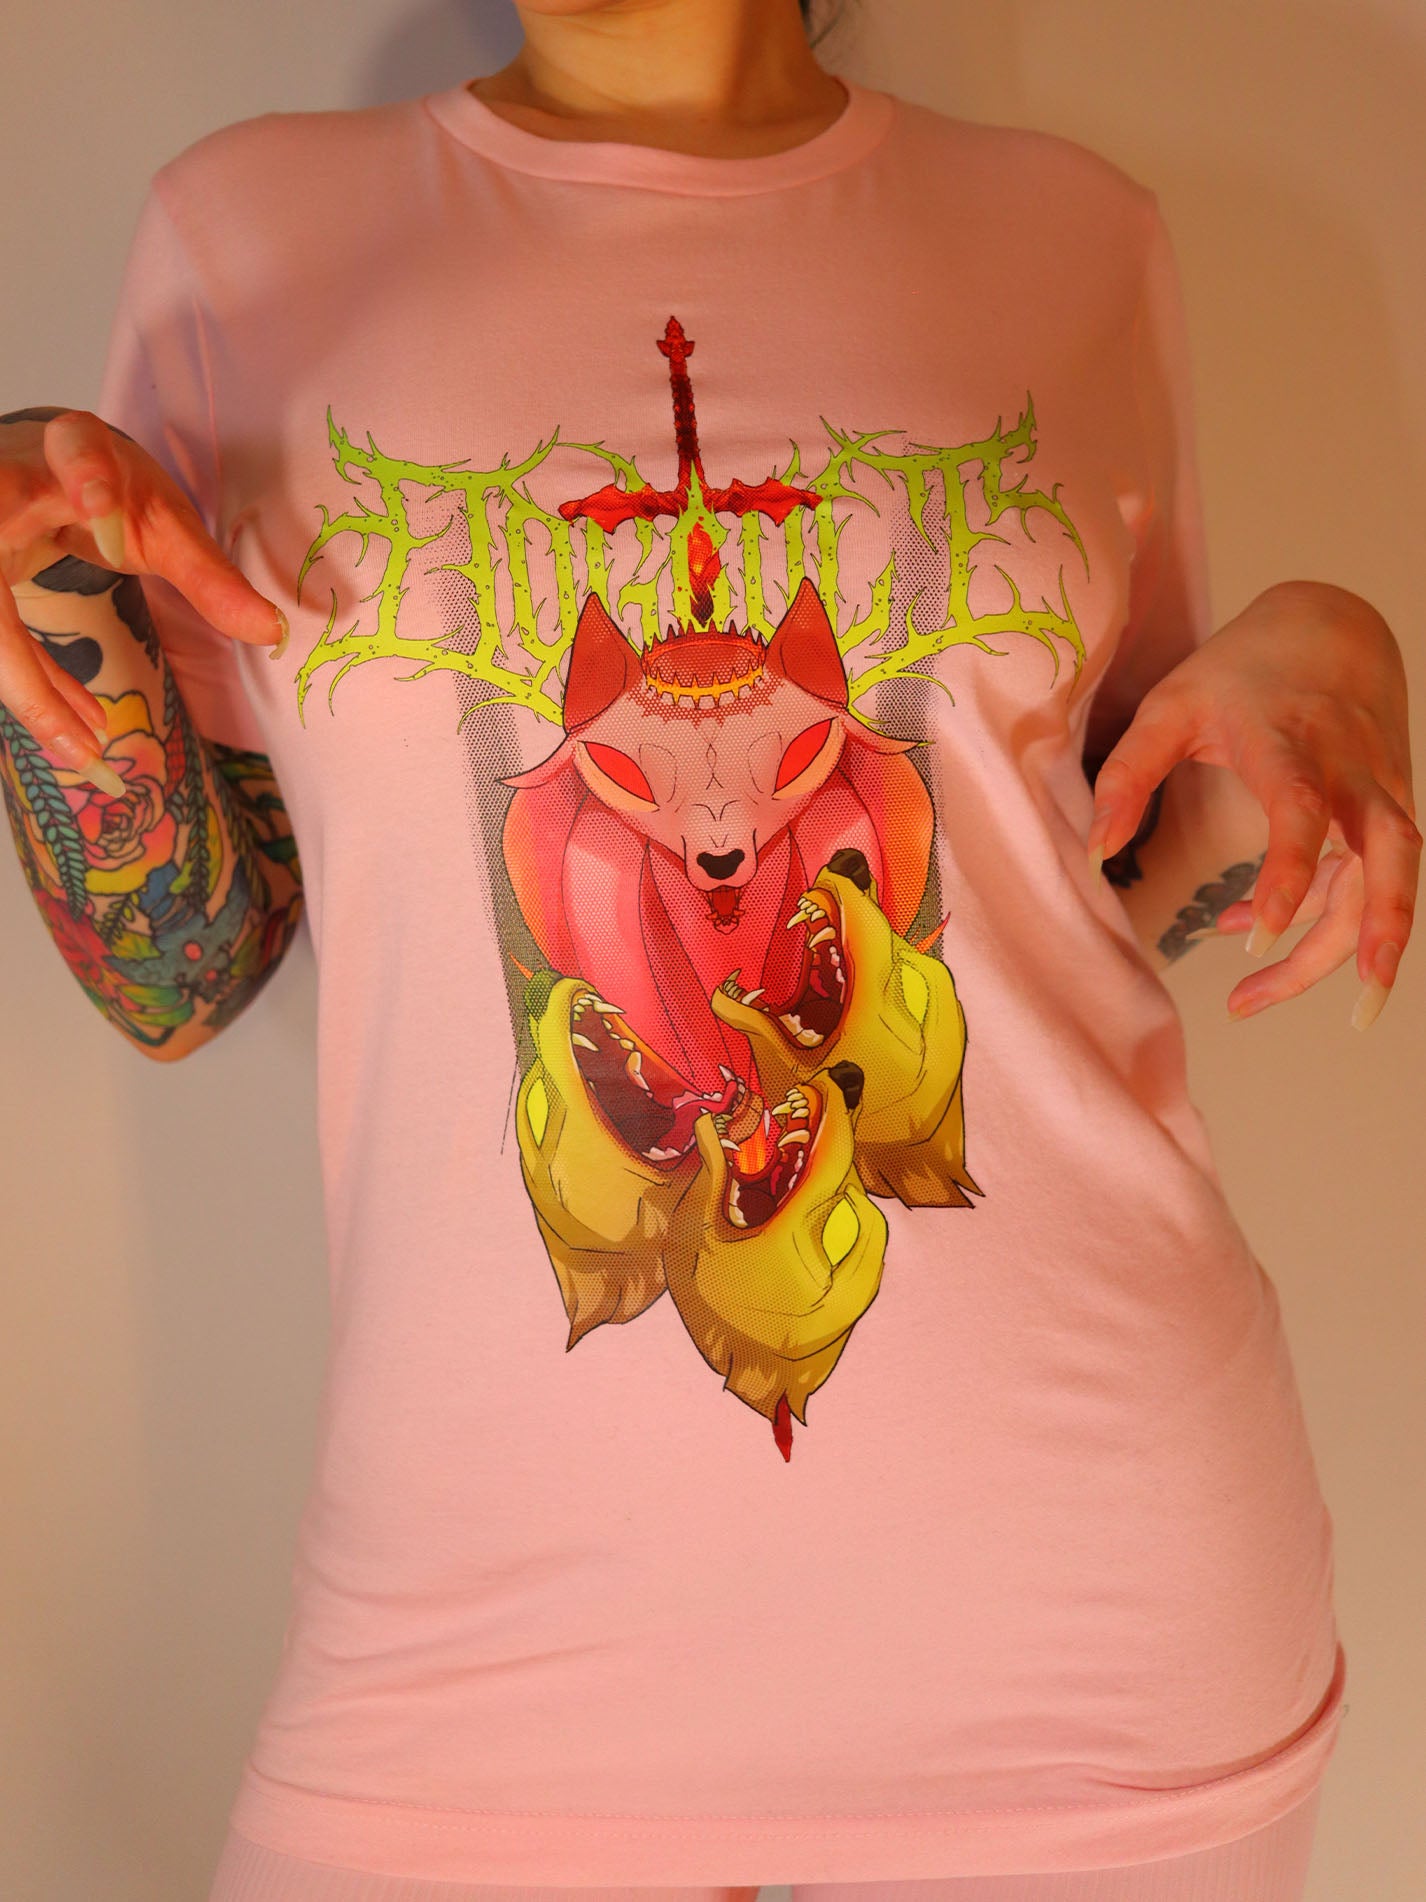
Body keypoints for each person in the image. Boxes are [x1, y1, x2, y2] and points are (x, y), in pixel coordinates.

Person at [0, 2, 1417, 1899]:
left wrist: (1322, 643)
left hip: (1094, 1631)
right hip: (474, 1650)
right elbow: (185, 971)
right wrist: (35, 559)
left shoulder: (1077, 238)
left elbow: (1105, 890)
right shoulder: (243, 237)